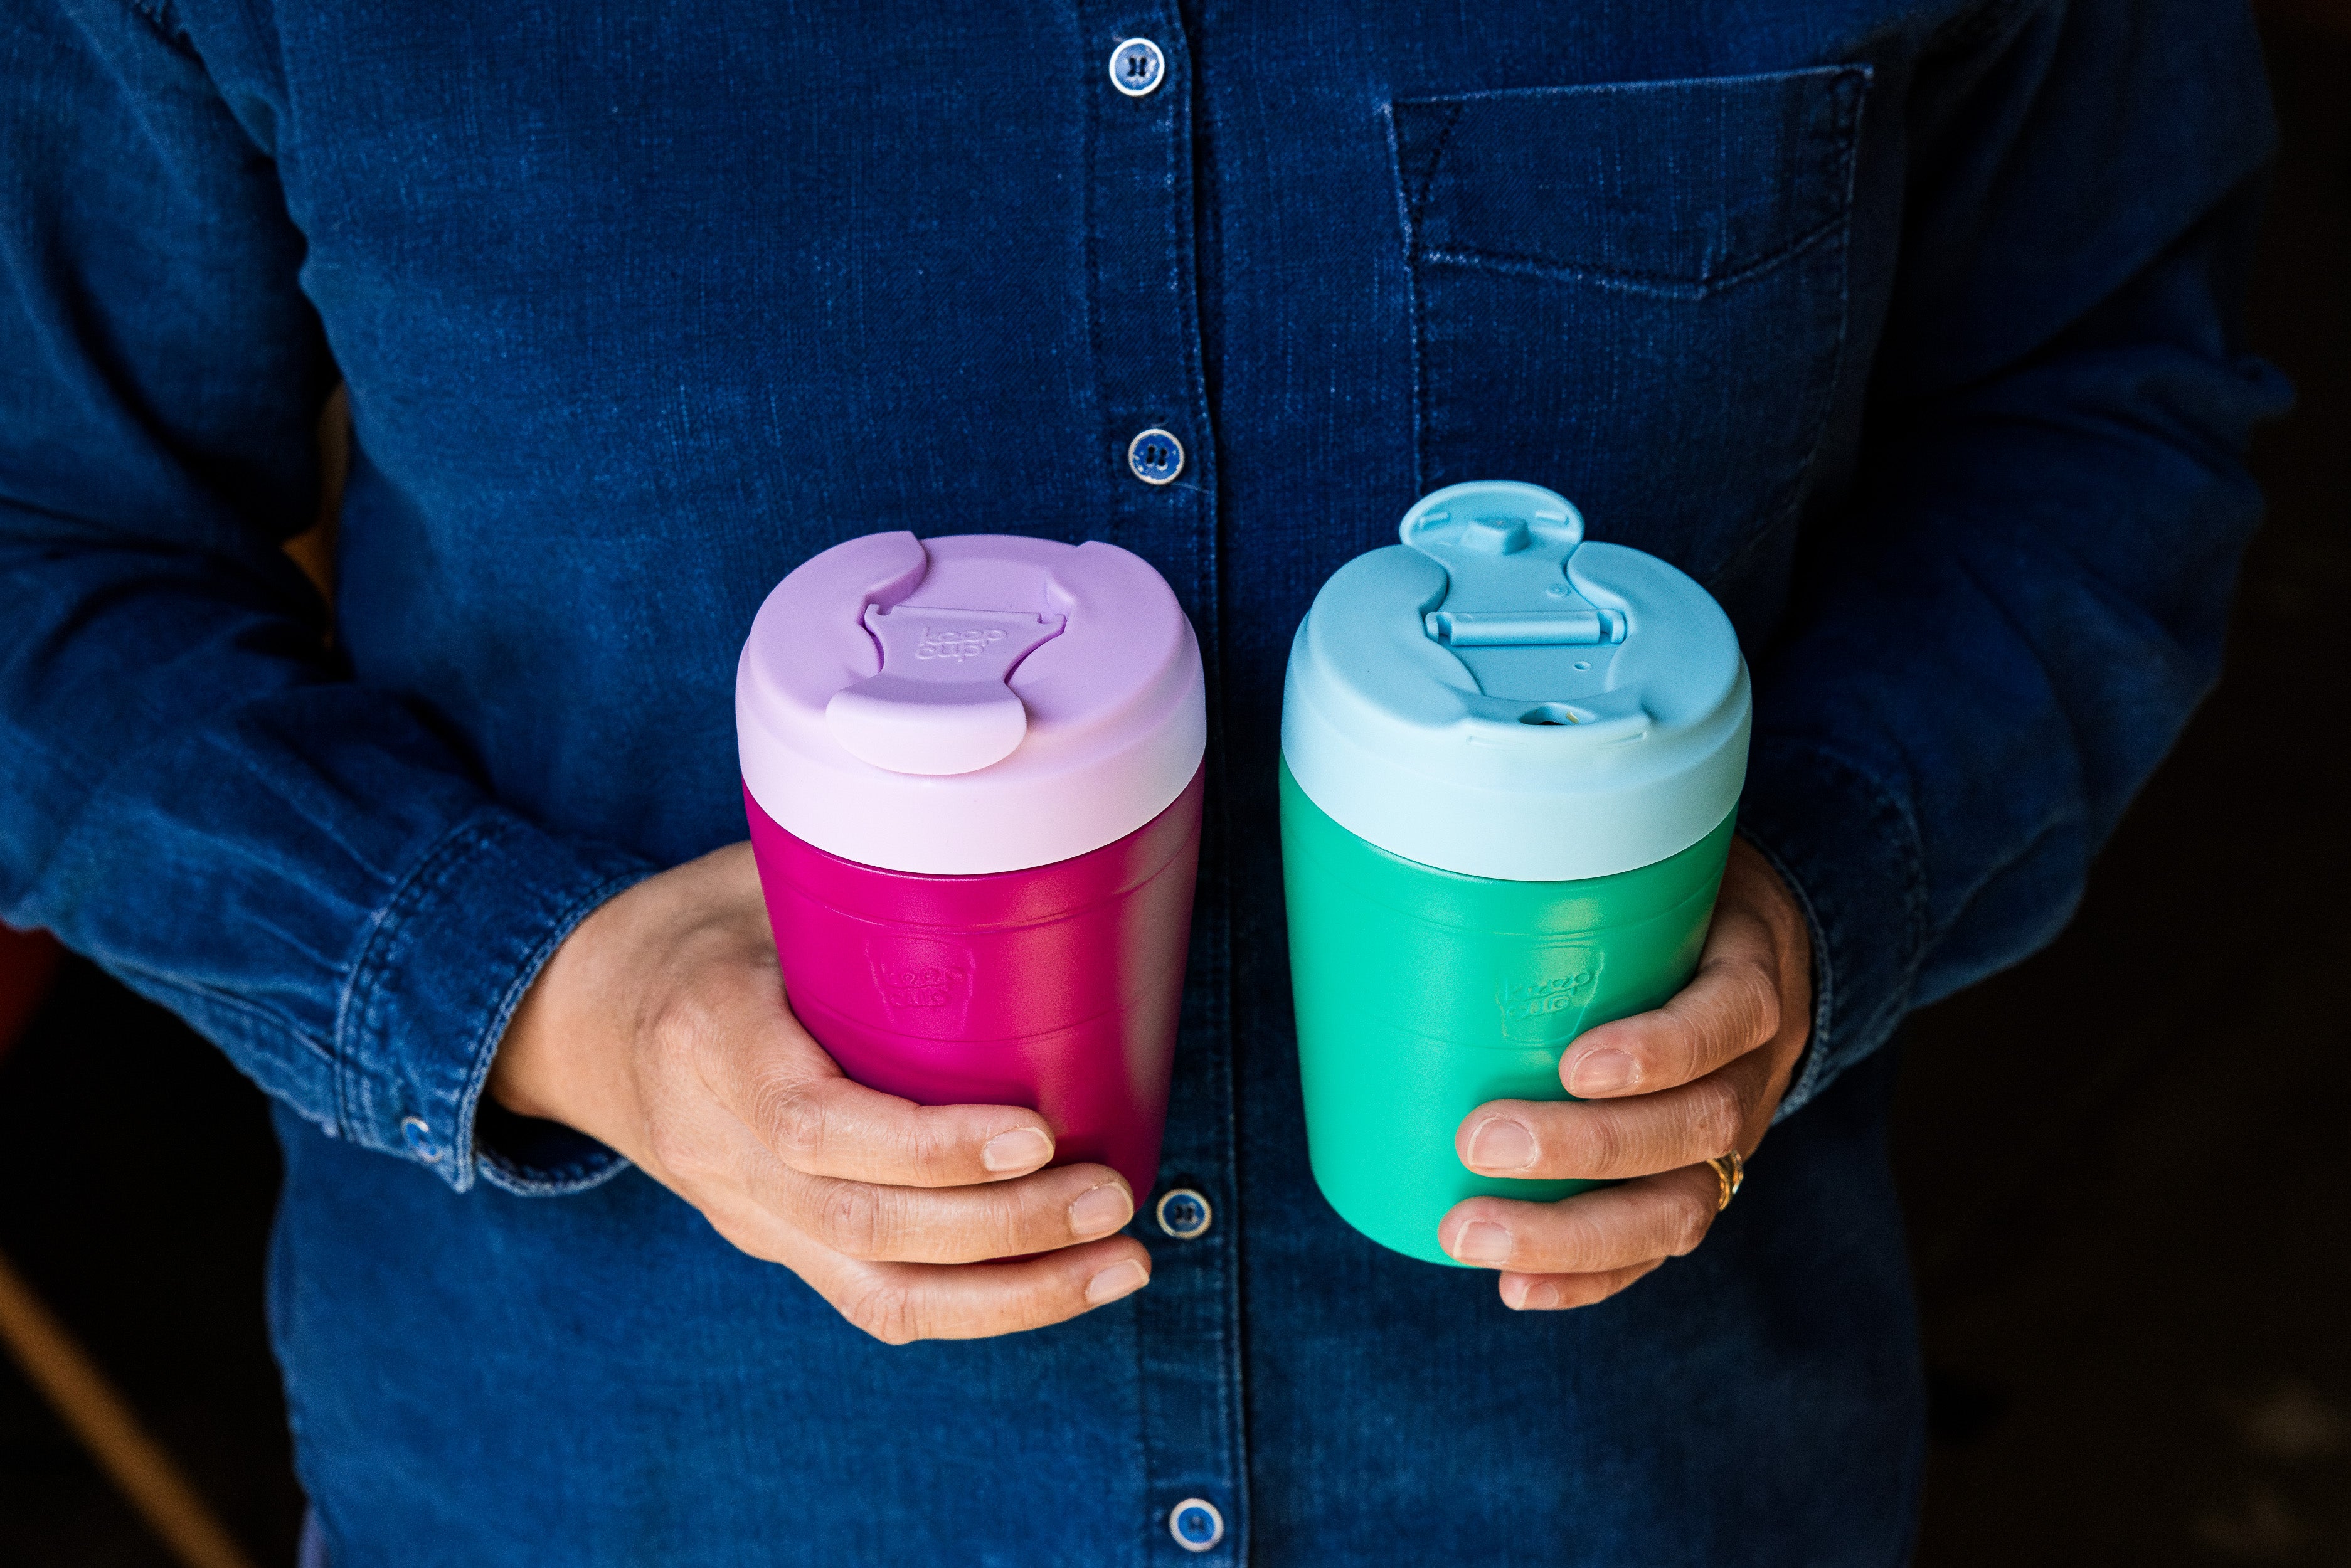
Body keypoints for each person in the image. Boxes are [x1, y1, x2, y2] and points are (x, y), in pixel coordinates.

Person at [0, 0, 2289, 1562]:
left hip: (1602, 1485)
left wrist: (1819, 886)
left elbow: (2102, 405)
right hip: (623, 1479)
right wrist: (550, 990)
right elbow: (38, 552)